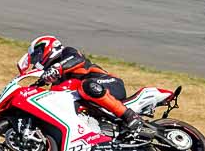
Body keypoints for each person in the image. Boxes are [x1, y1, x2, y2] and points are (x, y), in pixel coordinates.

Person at [19, 35, 154, 139]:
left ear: (48, 47)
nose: (36, 61)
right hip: (92, 100)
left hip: (108, 84)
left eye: (37, 55)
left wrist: (57, 68)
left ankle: (130, 116)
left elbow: (77, 60)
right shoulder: (57, 81)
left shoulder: (67, 52)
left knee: (86, 86)